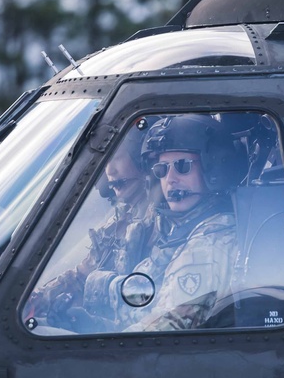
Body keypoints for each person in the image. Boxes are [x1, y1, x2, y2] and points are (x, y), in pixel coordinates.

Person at [83, 114, 247, 332]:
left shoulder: (209, 245)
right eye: (162, 169)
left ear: (215, 169)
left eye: (182, 166)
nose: (170, 179)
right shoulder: (177, 230)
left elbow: (158, 336)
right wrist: (89, 324)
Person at [26, 131, 152, 324]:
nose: (110, 171)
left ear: (141, 160)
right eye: (106, 161)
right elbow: (82, 275)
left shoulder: (159, 220)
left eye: (117, 158)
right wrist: (38, 299)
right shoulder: (121, 219)